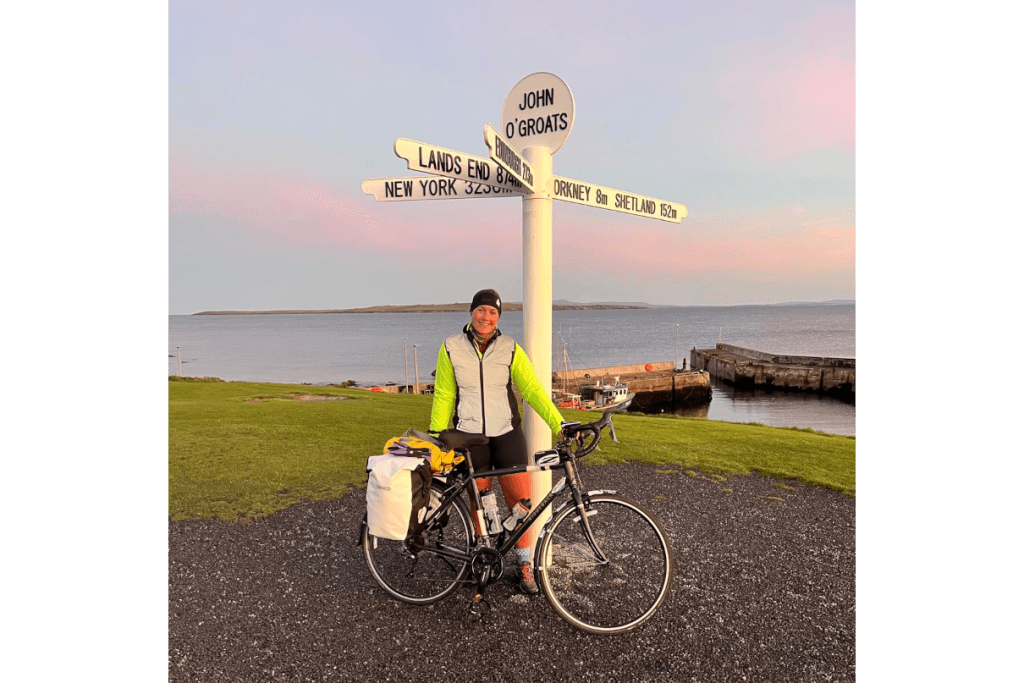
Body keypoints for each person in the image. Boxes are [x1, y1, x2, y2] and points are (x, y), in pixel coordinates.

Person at [428, 288, 565, 595]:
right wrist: (437, 433)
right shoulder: (450, 347)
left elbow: (532, 390)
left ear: (498, 317)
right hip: (470, 436)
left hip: (506, 433)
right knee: (481, 503)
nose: (486, 317)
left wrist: (558, 423)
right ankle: (482, 556)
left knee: (521, 501)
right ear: (472, 312)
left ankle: (525, 562)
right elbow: (445, 393)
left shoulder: (510, 348)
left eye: (492, 312)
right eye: (481, 310)